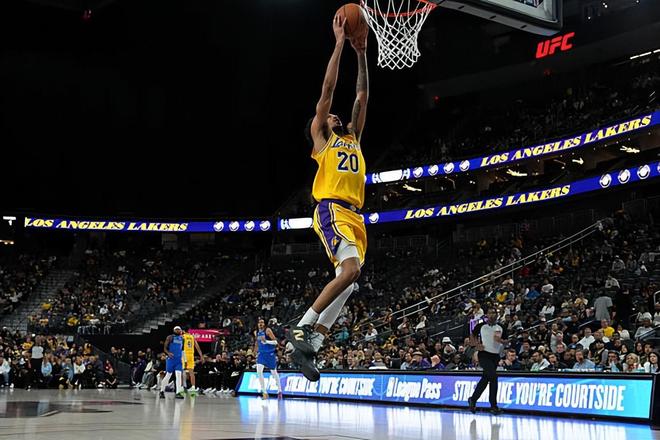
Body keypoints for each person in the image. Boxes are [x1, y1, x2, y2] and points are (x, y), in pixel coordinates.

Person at [288, 14, 369, 382]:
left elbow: (361, 95)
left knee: (349, 283)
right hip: (332, 208)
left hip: (355, 216)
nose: (334, 114)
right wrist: (339, 45)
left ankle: (310, 348)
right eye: (329, 115)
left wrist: (361, 52)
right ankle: (302, 328)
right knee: (350, 272)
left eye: (337, 115)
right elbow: (328, 89)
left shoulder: (354, 139)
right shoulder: (323, 141)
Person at [469, 307, 504, 415]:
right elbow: (472, 336)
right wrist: (476, 345)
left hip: (495, 356)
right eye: (490, 312)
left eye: (494, 312)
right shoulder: (480, 326)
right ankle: (493, 406)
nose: (492, 314)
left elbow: (506, 341)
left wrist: (503, 341)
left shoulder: (501, 327)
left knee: (486, 378)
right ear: (486, 315)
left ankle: (473, 399)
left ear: (497, 315)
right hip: (484, 355)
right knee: (493, 377)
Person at [254, 318, 283, 399]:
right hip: (261, 354)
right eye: (259, 322)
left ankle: (279, 390)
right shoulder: (256, 332)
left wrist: (266, 341)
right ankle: (264, 392)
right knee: (259, 372)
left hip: (270, 354)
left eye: (262, 322)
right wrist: (255, 351)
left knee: (274, 372)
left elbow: (276, 342)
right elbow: (257, 342)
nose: (260, 324)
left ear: (264, 324)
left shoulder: (268, 330)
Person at [160, 326, 185, 399]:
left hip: (178, 360)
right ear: (174, 330)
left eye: (179, 329)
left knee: (178, 376)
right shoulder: (170, 337)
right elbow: (165, 348)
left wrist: (184, 359)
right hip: (171, 360)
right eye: (176, 329)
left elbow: (182, 350)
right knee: (168, 376)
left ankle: (178, 392)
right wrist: (168, 353)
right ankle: (162, 391)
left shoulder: (182, 339)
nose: (177, 331)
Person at [182, 327, 205, 395]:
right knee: (191, 372)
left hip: (184, 355)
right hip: (191, 355)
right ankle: (193, 387)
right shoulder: (192, 337)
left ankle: (183, 386)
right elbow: (197, 347)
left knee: (182, 371)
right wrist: (201, 356)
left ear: (183, 330)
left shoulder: (182, 336)